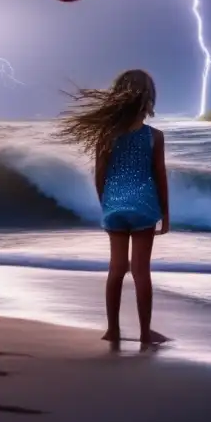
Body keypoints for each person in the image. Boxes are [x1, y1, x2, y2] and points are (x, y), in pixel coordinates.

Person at [57, 69, 170, 345]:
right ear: (148, 100)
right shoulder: (155, 136)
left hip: (114, 205)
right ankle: (145, 334)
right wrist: (165, 215)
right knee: (141, 271)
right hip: (144, 204)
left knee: (117, 268)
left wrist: (105, 203)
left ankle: (113, 330)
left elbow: (100, 174)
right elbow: (160, 176)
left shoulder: (106, 135)